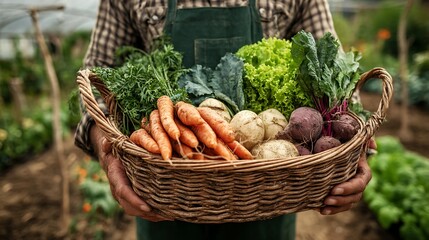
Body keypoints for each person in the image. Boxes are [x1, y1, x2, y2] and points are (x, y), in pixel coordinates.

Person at [75, 0, 375, 239]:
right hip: (165, 195)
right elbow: (95, 83)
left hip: (268, 195)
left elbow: (331, 67)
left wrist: (354, 149)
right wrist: (109, 154)